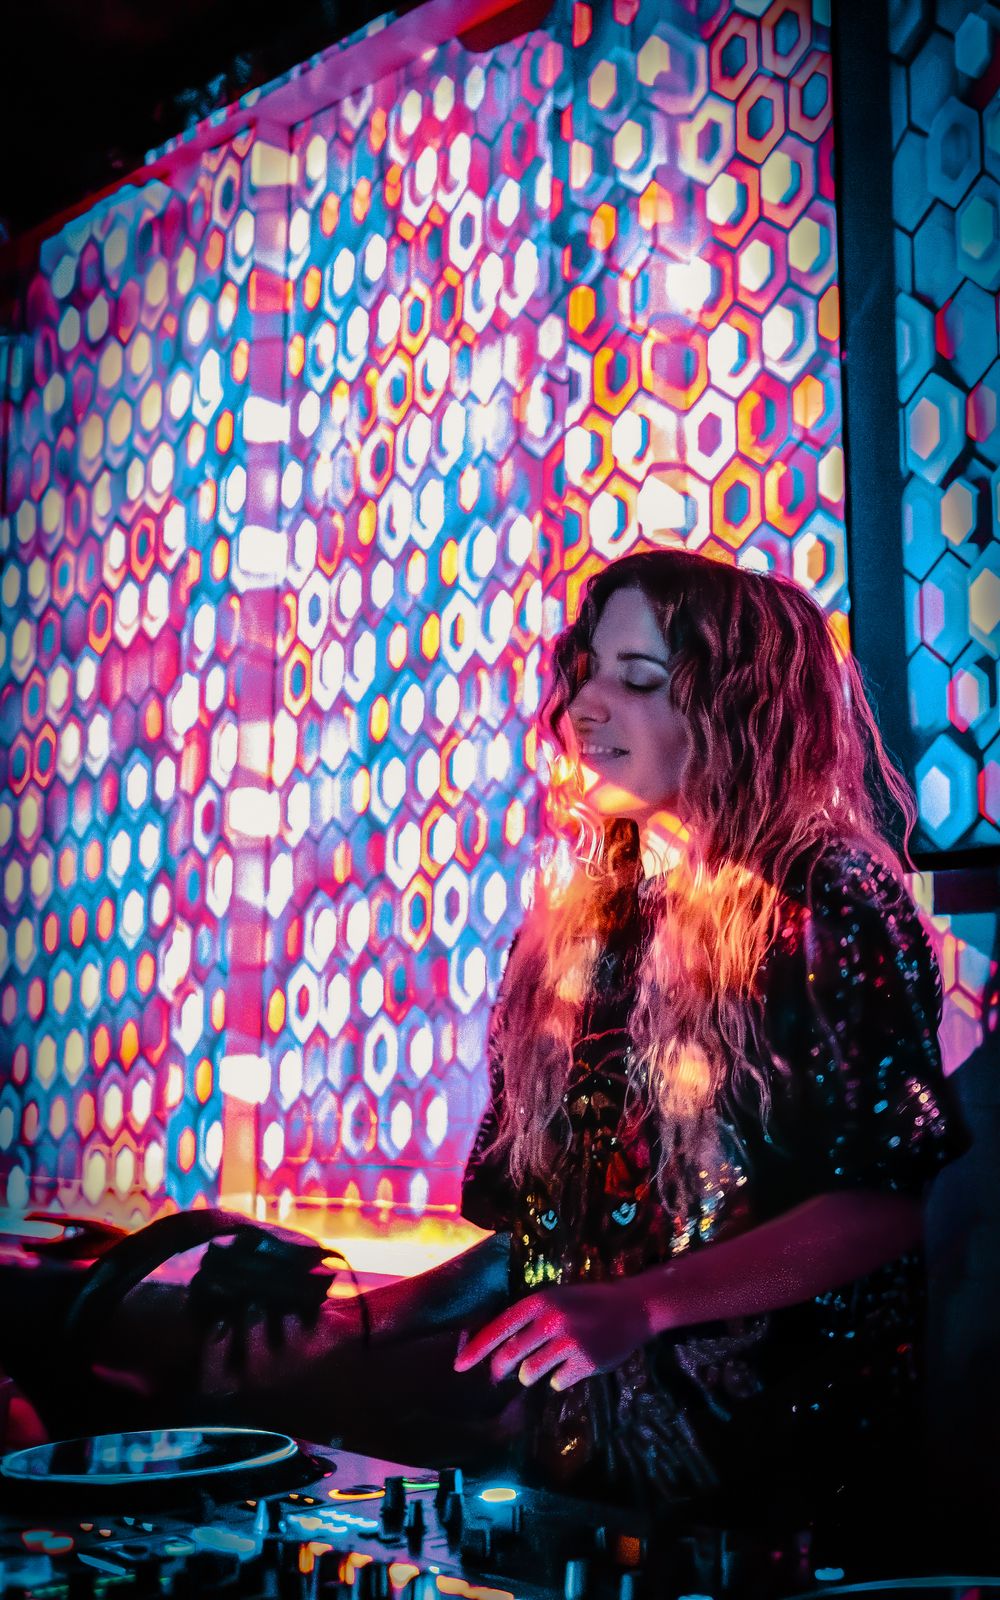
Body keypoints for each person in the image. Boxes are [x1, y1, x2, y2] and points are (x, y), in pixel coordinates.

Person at [444, 547, 968, 1533]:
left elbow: (882, 1205)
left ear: (741, 709)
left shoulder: (827, 899)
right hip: (577, 1496)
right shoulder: (571, 935)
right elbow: (537, 1245)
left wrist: (644, 1304)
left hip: (782, 1508)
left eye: (639, 679)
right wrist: (350, 1323)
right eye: (584, 673)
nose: (583, 707)